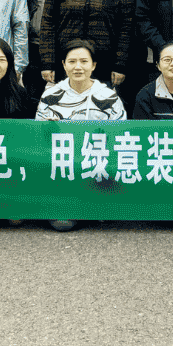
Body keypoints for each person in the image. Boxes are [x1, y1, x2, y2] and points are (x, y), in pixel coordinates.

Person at [37, 40, 126, 233]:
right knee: (63, 223)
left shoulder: (109, 97)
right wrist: (48, 130)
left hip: (96, 166)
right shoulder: (50, 96)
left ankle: (92, 204)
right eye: (72, 61)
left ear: (93, 65)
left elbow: (120, 140)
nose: (78, 67)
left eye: (84, 61)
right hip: (63, 169)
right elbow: (39, 141)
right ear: (64, 65)